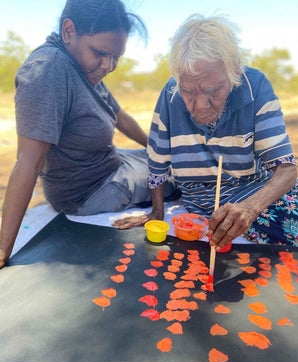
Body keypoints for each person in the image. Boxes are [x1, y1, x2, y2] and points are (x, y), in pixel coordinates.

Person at [0, 0, 177, 269]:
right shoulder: (47, 71)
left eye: (116, 57)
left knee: (174, 162)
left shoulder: (83, 67)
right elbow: (29, 161)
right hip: (90, 189)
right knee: (181, 176)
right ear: (69, 31)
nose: (108, 65)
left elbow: (120, 117)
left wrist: (155, 148)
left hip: (112, 162)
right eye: (100, 53)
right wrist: (3, 248)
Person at [113, 14, 298, 248]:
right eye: (188, 91)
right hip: (201, 202)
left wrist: (250, 208)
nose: (200, 105)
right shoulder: (170, 94)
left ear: (233, 75)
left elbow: (286, 169)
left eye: (213, 90)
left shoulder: (255, 86)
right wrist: (157, 211)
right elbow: (157, 160)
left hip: (254, 193)